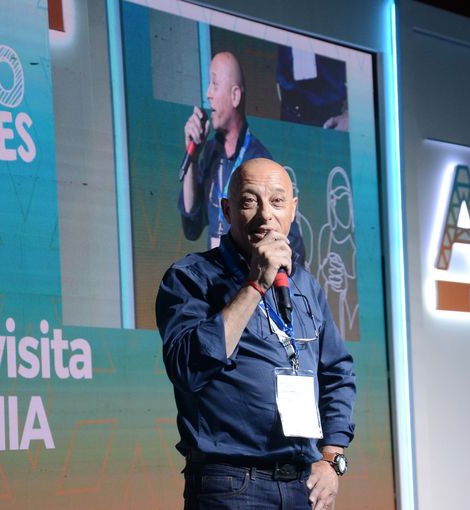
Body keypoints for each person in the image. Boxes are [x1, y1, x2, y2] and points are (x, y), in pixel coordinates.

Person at [157, 158, 356, 509]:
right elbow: (188, 369)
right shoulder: (191, 277)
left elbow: (337, 373)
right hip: (230, 484)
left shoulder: (305, 285)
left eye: (277, 201)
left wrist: (331, 457)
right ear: (227, 210)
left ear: (293, 209)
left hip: (302, 484)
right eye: (250, 201)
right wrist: (255, 284)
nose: (266, 215)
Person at [180, 51, 306, 264]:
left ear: (235, 96)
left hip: (247, 274)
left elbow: (292, 243)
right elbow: (191, 224)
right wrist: (192, 158)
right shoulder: (210, 152)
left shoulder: (259, 162)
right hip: (217, 273)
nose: (208, 94)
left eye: (214, 85)